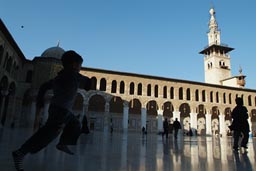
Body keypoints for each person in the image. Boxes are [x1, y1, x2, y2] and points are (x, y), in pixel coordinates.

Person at [12, 50, 91, 171]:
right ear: (74, 65)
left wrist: (40, 100)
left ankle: (62, 143)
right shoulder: (72, 75)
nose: (81, 67)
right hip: (60, 111)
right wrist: (87, 82)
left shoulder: (60, 76)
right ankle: (20, 153)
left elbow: (44, 86)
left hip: (60, 109)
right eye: (80, 65)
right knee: (46, 136)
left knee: (75, 124)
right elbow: (88, 84)